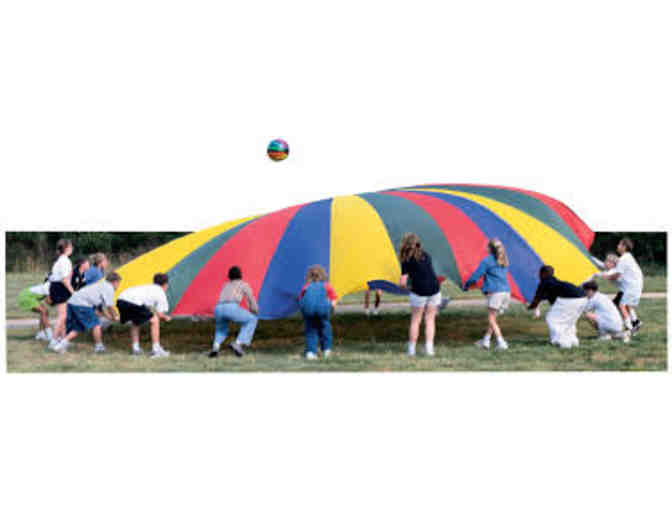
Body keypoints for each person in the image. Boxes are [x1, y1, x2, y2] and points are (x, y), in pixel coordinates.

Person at [50, 272, 122, 353]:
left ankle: (60, 344)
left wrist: (109, 317)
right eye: (119, 283)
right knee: (96, 325)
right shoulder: (109, 288)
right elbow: (110, 306)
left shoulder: (101, 285)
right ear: (114, 282)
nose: (118, 285)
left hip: (72, 301)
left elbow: (101, 308)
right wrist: (116, 316)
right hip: (82, 304)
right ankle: (99, 347)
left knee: (78, 327)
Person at [463, 238, 510, 350]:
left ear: (490, 249)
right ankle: (486, 340)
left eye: (487, 246)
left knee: (491, 319)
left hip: (496, 293)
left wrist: (466, 285)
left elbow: (476, 276)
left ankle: (501, 342)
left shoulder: (487, 261)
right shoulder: (504, 260)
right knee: (493, 318)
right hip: (506, 292)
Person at [399, 232, 441, 357]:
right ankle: (429, 349)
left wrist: (407, 287)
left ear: (405, 244)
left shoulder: (406, 259)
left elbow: (402, 282)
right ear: (418, 243)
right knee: (430, 320)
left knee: (415, 320)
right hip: (434, 289)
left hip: (419, 291)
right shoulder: (426, 255)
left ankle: (411, 350)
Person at [527, 265, 587, 349]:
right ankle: (573, 340)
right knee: (568, 320)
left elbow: (537, 298)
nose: (539, 276)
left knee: (552, 319)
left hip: (571, 298)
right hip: (583, 298)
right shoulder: (555, 282)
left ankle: (562, 342)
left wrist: (530, 307)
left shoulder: (545, 282)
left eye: (540, 274)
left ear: (543, 274)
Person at [116, 273, 172, 358]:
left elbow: (146, 307)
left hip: (121, 299)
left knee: (135, 321)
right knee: (155, 320)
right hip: (133, 302)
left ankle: (136, 349)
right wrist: (166, 317)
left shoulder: (148, 287)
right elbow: (160, 314)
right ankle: (156, 350)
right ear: (165, 284)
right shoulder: (160, 292)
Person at [208, 266, 259, 358]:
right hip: (231, 307)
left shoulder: (226, 285)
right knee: (252, 319)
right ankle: (238, 343)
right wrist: (255, 311)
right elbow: (250, 300)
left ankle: (215, 347)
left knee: (221, 329)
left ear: (229, 276)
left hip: (218, 308)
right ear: (240, 274)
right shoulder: (243, 284)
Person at [598, 238, 644, 333]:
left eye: (619, 244)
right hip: (632, 285)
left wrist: (606, 277)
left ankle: (629, 328)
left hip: (631, 286)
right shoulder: (626, 257)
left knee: (622, 305)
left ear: (624, 247)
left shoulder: (624, 259)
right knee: (627, 305)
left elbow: (617, 275)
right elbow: (611, 270)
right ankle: (635, 322)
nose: (617, 246)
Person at [298, 265, 338, 359]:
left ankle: (311, 352)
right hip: (322, 310)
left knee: (311, 330)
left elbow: (301, 299)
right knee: (325, 329)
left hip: (309, 311)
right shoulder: (326, 286)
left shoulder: (306, 287)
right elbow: (334, 298)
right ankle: (326, 350)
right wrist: (331, 309)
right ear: (323, 275)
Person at [47, 239, 75, 348]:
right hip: (60, 287)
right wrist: (73, 292)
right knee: (62, 316)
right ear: (67, 248)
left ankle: (63, 339)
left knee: (63, 315)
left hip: (57, 287)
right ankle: (53, 340)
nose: (72, 248)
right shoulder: (64, 261)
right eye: (71, 246)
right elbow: (65, 280)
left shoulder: (61, 259)